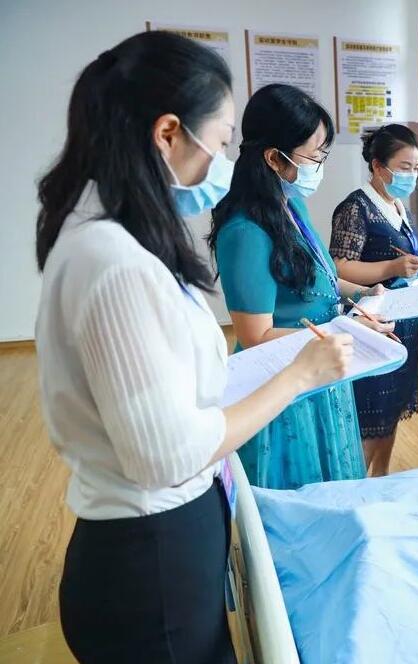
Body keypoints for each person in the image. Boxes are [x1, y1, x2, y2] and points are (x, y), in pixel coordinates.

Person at [34, 33, 354, 663]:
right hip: (149, 555)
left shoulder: (118, 238)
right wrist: (297, 376)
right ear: (169, 133)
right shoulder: (113, 261)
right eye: (225, 139)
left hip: (162, 538)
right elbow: (168, 454)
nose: (228, 158)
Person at [209, 84, 393, 489]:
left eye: (323, 155)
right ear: (275, 157)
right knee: (299, 497)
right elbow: (255, 336)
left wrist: (362, 294)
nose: (320, 166)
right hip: (282, 383)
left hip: (319, 367)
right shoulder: (245, 230)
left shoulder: (291, 204)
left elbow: (318, 278)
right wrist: (345, 330)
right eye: (315, 156)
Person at [329, 124, 418, 476]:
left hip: (404, 321)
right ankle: (357, 487)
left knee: (392, 407)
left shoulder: (398, 207)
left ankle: (381, 478)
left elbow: (404, 262)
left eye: (416, 168)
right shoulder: (355, 208)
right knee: (371, 412)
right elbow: (339, 267)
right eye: (404, 167)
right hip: (372, 323)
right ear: (378, 167)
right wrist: (392, 267)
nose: (412, 175)